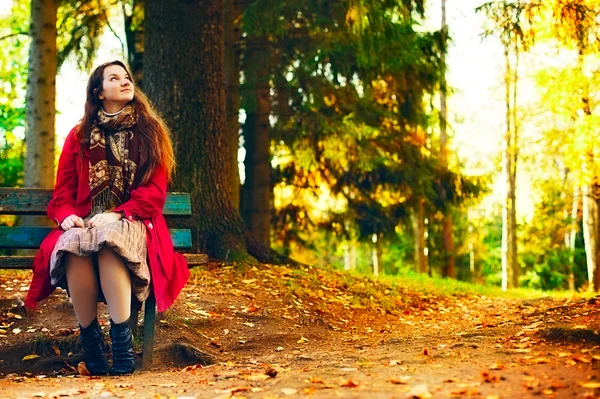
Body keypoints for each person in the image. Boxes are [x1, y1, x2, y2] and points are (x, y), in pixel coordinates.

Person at [25, 60, 190, 376]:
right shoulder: (79, 136)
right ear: (99, 92)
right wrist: (67, 217)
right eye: (115, 78)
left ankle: (122, 347)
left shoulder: (149, 132)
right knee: (73, 242)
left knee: (108, 239)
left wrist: (117, 214)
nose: (126, 81)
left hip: (135, 221)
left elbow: (154, 194)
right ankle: (92, 347)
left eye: (127, 76)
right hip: (87, 221)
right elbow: (64, 191)